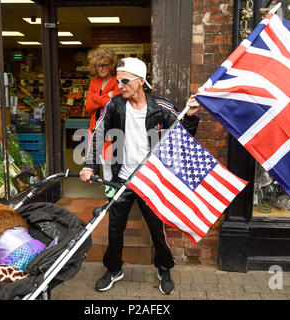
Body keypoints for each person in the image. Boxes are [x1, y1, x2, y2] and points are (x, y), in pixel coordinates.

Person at [80, 57, 201, 295]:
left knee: (157, 229)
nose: (119, 85)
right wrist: (89, 165)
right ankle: (114, 269)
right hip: (121, 179)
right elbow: (97, 133)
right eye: (118, 81)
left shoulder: (162, 108)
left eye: (124, 80)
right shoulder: (114, 106)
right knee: (115, 228)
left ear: (140, 81)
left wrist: (190, 116)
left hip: (150, 181)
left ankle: (164, 268)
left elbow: (182, 138)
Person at [85, 46, 120, 180]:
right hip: (94, 129)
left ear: (111, 65)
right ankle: (109, 196)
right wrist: (106, 97)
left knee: (109, 165)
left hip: (111, 130)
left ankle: (113, 198)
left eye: (104, 65)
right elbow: (88, 107)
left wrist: (96, 97)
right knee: (95, 163)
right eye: (97, 66)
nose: (100, 68)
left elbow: (114, 105)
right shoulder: (94, 82)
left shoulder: (118, 81)